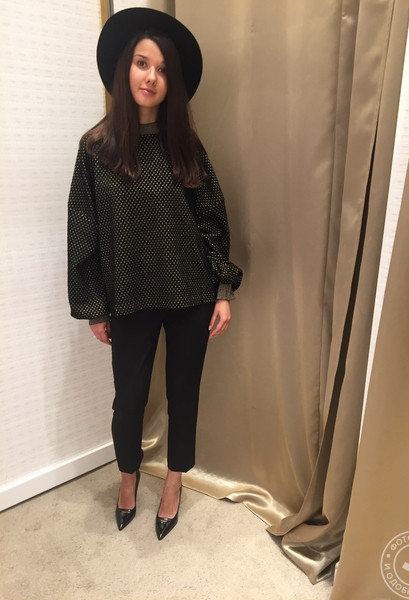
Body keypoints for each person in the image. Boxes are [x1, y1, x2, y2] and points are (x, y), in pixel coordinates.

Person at [67, 7, 242, 540]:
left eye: (163, 69)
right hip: (128, 295)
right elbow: (83, 229)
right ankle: (127, 478)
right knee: (129, 398)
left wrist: (222, 289)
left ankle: (174, 481)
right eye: (143, 63)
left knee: (184, 393)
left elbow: (212, 219)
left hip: (191, 293)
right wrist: (93, 306)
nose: (151, 77)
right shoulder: (96, 149)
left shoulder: (185, 145)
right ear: (125, 68)